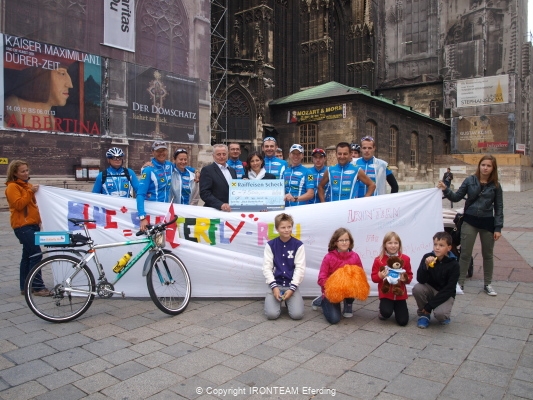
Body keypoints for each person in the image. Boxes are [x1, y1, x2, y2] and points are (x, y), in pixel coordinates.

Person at [438, 154, 503, 295]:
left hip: (487, 222)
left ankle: (488, 283)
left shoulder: (496, 186)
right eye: (483, 165)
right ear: (479, 166)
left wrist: (498, 228)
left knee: (488, 254)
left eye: (489, 166)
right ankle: (459, 283)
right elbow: (456, 197)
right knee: (465, 253)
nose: (485, 168)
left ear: (493, 168)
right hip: (470, 220)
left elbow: (499, 208)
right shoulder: (470, 180)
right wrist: (445, 189)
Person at [5, 160, 48, 296]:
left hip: (32, 224)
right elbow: (18, 204)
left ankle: (25, 286)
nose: (26, 173)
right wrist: (30, 192)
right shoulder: (13, 187)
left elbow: (33, 204)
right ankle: (38, 286)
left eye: (27, 170)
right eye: (22, 171)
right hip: (22, 225)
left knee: (28, 255)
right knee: (36, 254)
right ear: (15, 173)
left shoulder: (27, 186)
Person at [315, 228, 364, 324]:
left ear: (350, 241)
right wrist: (334, 284)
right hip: (332, 291)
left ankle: (348, 303)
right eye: (341, 240)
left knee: (355, 285)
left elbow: (360, 275)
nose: (344, 243)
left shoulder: (355, 256)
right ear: (335, 242)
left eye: (346, 240)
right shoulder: (328, 257)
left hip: (348, 289)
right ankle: (322, 301)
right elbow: (321, 278)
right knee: (334, 319)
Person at [262, 213, 305, 320]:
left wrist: (292, 288)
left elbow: (300, 268)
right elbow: (267, 268)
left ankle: (288, 300)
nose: (286, 230)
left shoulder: (298, 245)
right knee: (272, 315)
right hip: (276, 284)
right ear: (277, 229)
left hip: (291, 285)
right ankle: (275, 300)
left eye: (289, 227)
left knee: (297, 315)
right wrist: (274, 287)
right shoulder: (271, 245)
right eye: (283, 227)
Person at [413, 231, 460, 328]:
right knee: (417, 288)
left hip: (445, 293)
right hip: (431, 288)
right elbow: (420, 280)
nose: (437, 248)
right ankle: (424, 315)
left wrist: (430, 305)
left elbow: (450, 288)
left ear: (449, 248)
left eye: (441, 245)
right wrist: (425, 266)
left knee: (441, 315)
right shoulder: (427, 257)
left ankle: (443, 314)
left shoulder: (454, 264)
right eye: (435, 244)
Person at [4, 66, 73, 129]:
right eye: (62, 74)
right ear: (40, 75)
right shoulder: (3, 120)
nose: (70, 85)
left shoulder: (54, 124)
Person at [371, 232, 413, 326]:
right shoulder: (378, 260)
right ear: (385, 245)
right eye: (390, 243)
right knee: (386, 313)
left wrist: (405, 279)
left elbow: (410, 276)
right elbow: (374, 278)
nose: (393, 246)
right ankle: (383, 308)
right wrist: (380, 276)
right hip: (386, 294)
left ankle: (397, 307)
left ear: (399, 244)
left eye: (396, 243)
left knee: (403, 322)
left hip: (400, 295)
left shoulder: (405, 259)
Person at [137, 141, 174, 231]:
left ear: (167, 151)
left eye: (163, 150)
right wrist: (142, 217)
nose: (161, 153)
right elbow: (140, 194)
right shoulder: (148, 170)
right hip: (152, 211)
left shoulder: (169, 165)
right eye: (158, 151)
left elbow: (183, 168)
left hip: (165, 211)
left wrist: (196, 171)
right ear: (153, 152)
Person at [199, 143, 237, 212]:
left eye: (224, 154)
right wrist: (220, 205)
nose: (222, 156)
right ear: (213, 156)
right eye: (218, 154)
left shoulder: (232, 171)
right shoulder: (207, 170)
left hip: (231, 211)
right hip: (214, 211)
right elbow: (204, 193)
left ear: (227, 155)